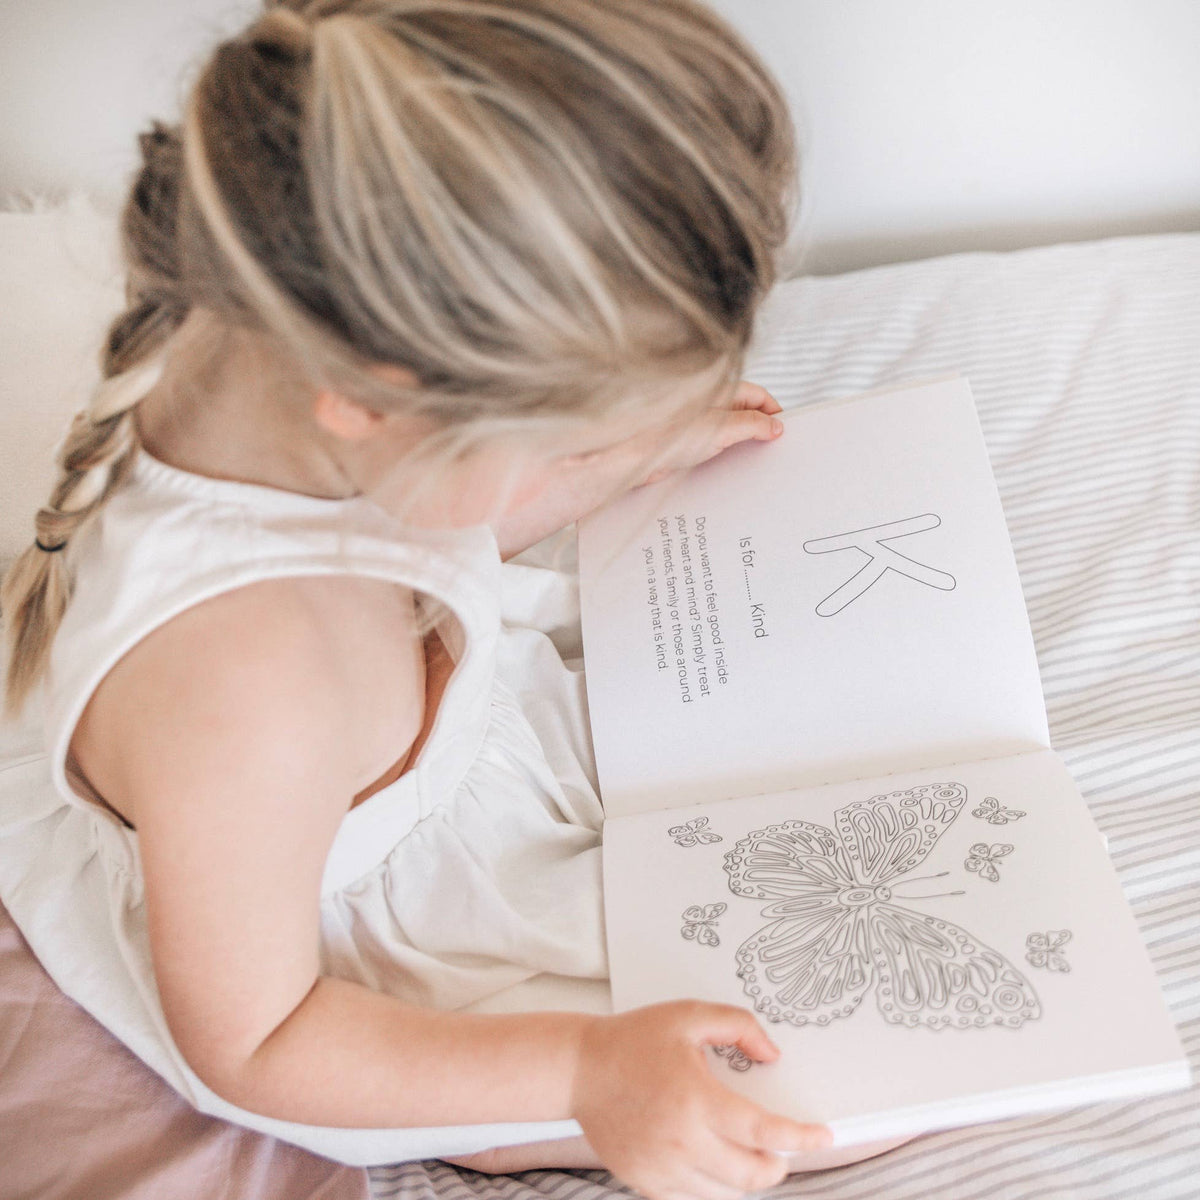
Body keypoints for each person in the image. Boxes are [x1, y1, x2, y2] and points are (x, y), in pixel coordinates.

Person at [0, 1, 913, 1195]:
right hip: (345, 982)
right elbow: (258, 1041)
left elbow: (413, 541)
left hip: (397, 770)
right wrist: (585, 1067)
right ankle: (491, 1109)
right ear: (380, 401)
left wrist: (610, 464)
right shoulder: (242, 690)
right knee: (836, 1081)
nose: (594, 455)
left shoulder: (269, 344)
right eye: (567, 435)